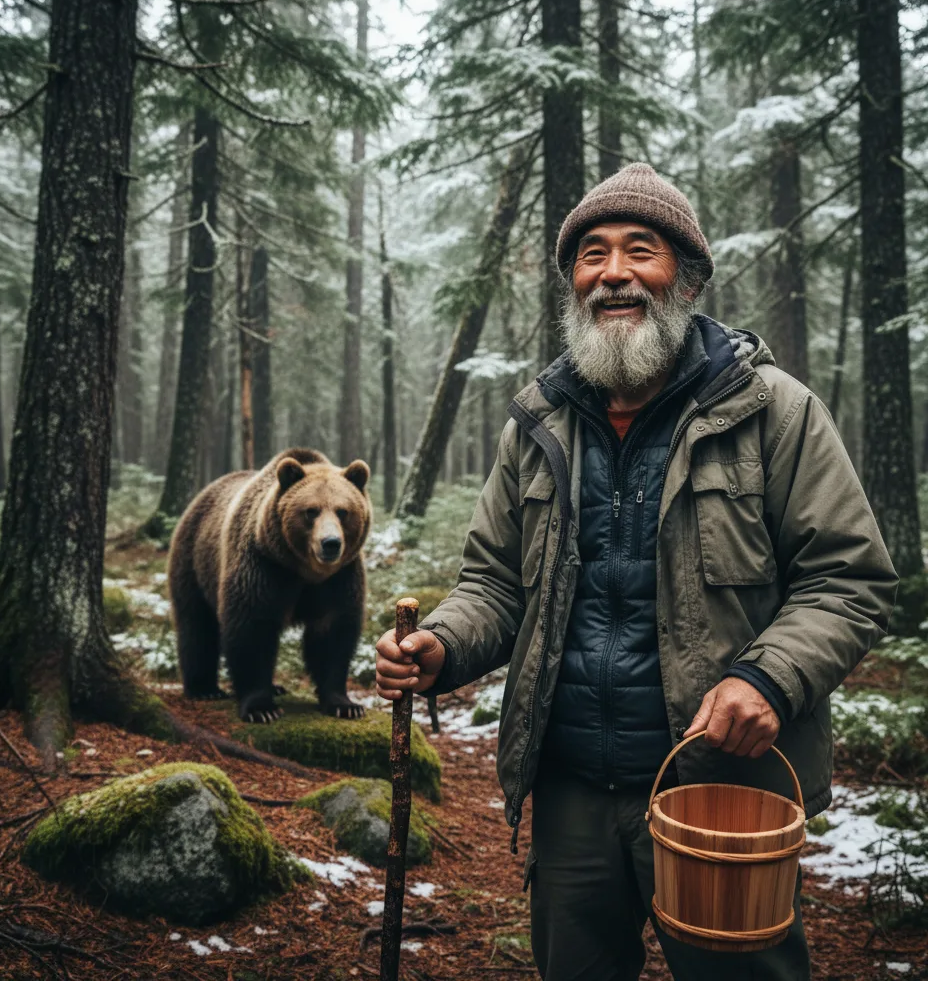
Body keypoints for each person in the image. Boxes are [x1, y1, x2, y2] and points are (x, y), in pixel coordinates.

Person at [375, 163, 897, 981]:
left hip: (721, 783)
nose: (612, 273)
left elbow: (849, 579)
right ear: (572, 284)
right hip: (572, 786)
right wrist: (441, 646)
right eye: (591, 256)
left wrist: (767, 678)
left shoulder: (775, 411)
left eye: (639, 251)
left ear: (685, 277)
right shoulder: (537, 423)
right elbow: (496, 584)